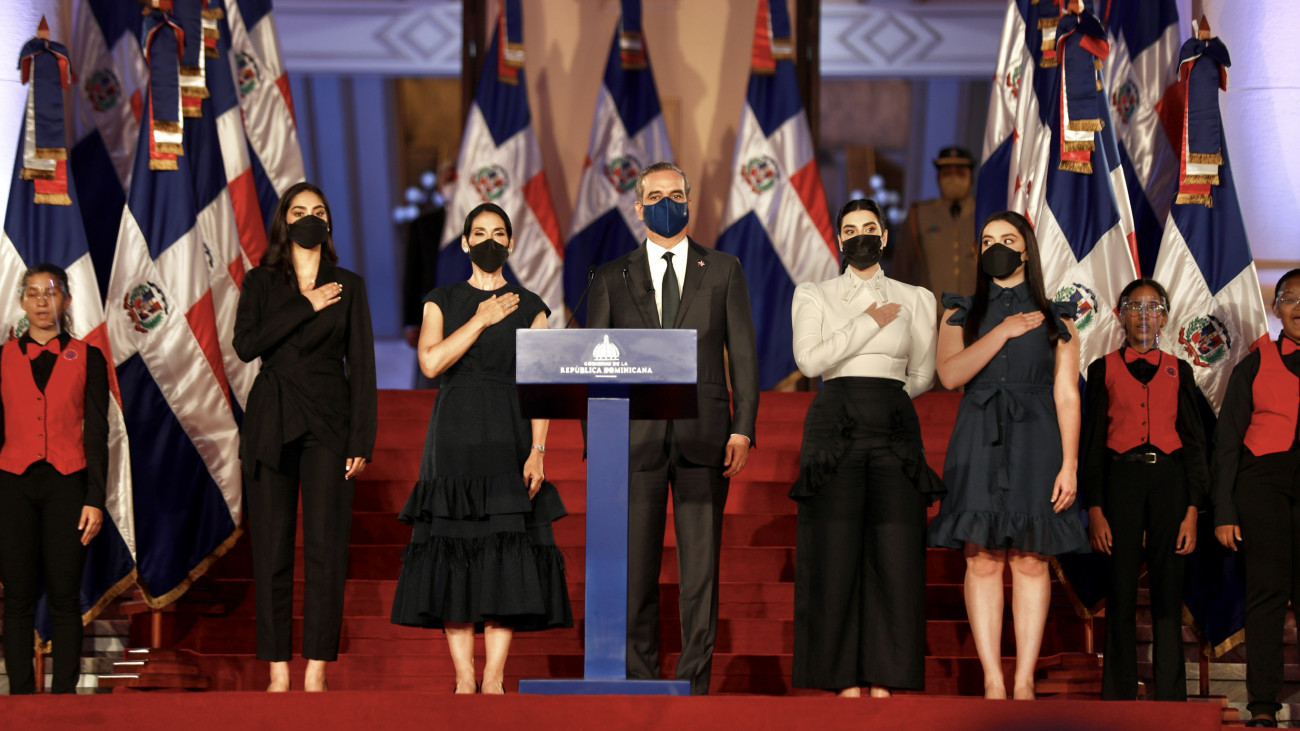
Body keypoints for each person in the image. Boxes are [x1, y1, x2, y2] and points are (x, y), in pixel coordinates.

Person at [585, 161, 759, 695]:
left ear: (689, 201)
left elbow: (743, 355)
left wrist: (742, 428)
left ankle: (692, 685)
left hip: (704, 436)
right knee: (635, 570)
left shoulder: (723, 268)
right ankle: (640, 679)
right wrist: (598, 441)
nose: (668, 203)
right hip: (633, 440)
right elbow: (591, 364)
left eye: (677, 195)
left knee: (699, 574)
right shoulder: (610, 276)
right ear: (638, 207)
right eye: (656, 196)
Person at [390, 202, 571, 694]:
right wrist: (480, 319)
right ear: (466, 242)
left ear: (510, 243)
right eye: (480, 233)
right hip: (453, 440)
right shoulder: (441, 300)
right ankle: (463, 676)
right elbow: (431, 363)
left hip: (510, 436)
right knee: (452, 552)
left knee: (504, 555)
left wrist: (538, 451)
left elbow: (542, 386)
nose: (489, 241)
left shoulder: (532, 306)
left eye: (498, 233)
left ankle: (493, 676)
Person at [926, 210, 1088, 700]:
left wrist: (1070, 464)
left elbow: (1067, 395)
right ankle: (993, 680)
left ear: (1026, 250)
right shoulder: (960, 312)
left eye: (1007, 239)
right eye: (987, 239)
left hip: (1038, 439)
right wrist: (1003, 331)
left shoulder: (1058, 318)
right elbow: (950, 375)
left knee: (1032, 559)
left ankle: (1024, 681)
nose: (996, 246)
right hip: (977, 437)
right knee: (981, 558)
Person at [788, 199, 943, 697]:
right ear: (839, 240)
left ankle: (888, 674)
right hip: (836, 421)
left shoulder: (916, 297)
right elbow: (810, 362)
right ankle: (839, 677)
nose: (861, 237)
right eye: (851, 230)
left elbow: (922, 373)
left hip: (894, 422)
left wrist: (885, 398)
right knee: (834, 549)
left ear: (884, 236)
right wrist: (870, 322)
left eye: (870, 228)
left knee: (896, 548)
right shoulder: (815, 293)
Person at [233, 182, 377, 692]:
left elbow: (362, 366)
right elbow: (246, 345)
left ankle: (315, 669)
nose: (309, 217)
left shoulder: (350, 285)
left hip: (329, 425)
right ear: (284, 221)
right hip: (271, 421)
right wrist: (306, 304)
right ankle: (278, 670)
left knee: (325, 550)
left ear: (328, 222)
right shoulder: (260, 281)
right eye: (299, 211)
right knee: (272, 552)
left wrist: (362, 439)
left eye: (318, 210)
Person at [1080, 278, 1207, 701]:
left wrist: (1192, 509)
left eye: (1153, 307)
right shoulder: (1102, 369)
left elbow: (1194, 444)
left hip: (1170, 483)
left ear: (1165, 317)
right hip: (1121, 483)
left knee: (1169, 591)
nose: (1144, 315)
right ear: (1120, 315)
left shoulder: (1179, 369)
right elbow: (1092, 444)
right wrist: (1095, 507)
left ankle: (1171, 696)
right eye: (1135, 306)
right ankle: (1118, 695)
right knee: (1120, 588)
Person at [0, 264, 106, 694]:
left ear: (66, 299)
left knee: (65, 596)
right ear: (22, 301)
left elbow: (97, 432)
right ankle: (20, 699)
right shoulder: (3, 356)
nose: (42, 301)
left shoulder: (88, 356)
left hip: (68, 484)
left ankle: (64, 699)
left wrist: (95, 497)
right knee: (17, 598)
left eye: (51, 292)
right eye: (33, 293)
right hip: (12, 486)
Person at [1213, 269, 1300, 728]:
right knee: (1266, 594)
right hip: (1262, 484)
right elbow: (1227, 442)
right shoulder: (1254, 363)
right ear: (1277, 307)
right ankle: (1263, 704)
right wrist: (1224, 511)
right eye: (1291, 298)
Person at [894, 146, 978, 299]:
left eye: (960, 172)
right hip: (931, 309)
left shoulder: (985, 215)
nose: (953, 178)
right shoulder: (919, 214)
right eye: (947, 173)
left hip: (975, 310)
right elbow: (902, 269)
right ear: (938, 178)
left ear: (971, 178)